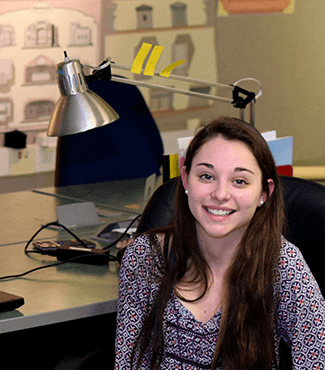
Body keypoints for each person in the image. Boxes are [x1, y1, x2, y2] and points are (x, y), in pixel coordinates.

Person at [115, 117, 325, 369]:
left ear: (263, 193)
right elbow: (129, 362)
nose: (220, 194)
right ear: (185, 179)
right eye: (206, 176)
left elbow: (316, 358)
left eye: (240, 181)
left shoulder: (282, 264)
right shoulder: (145, 256)